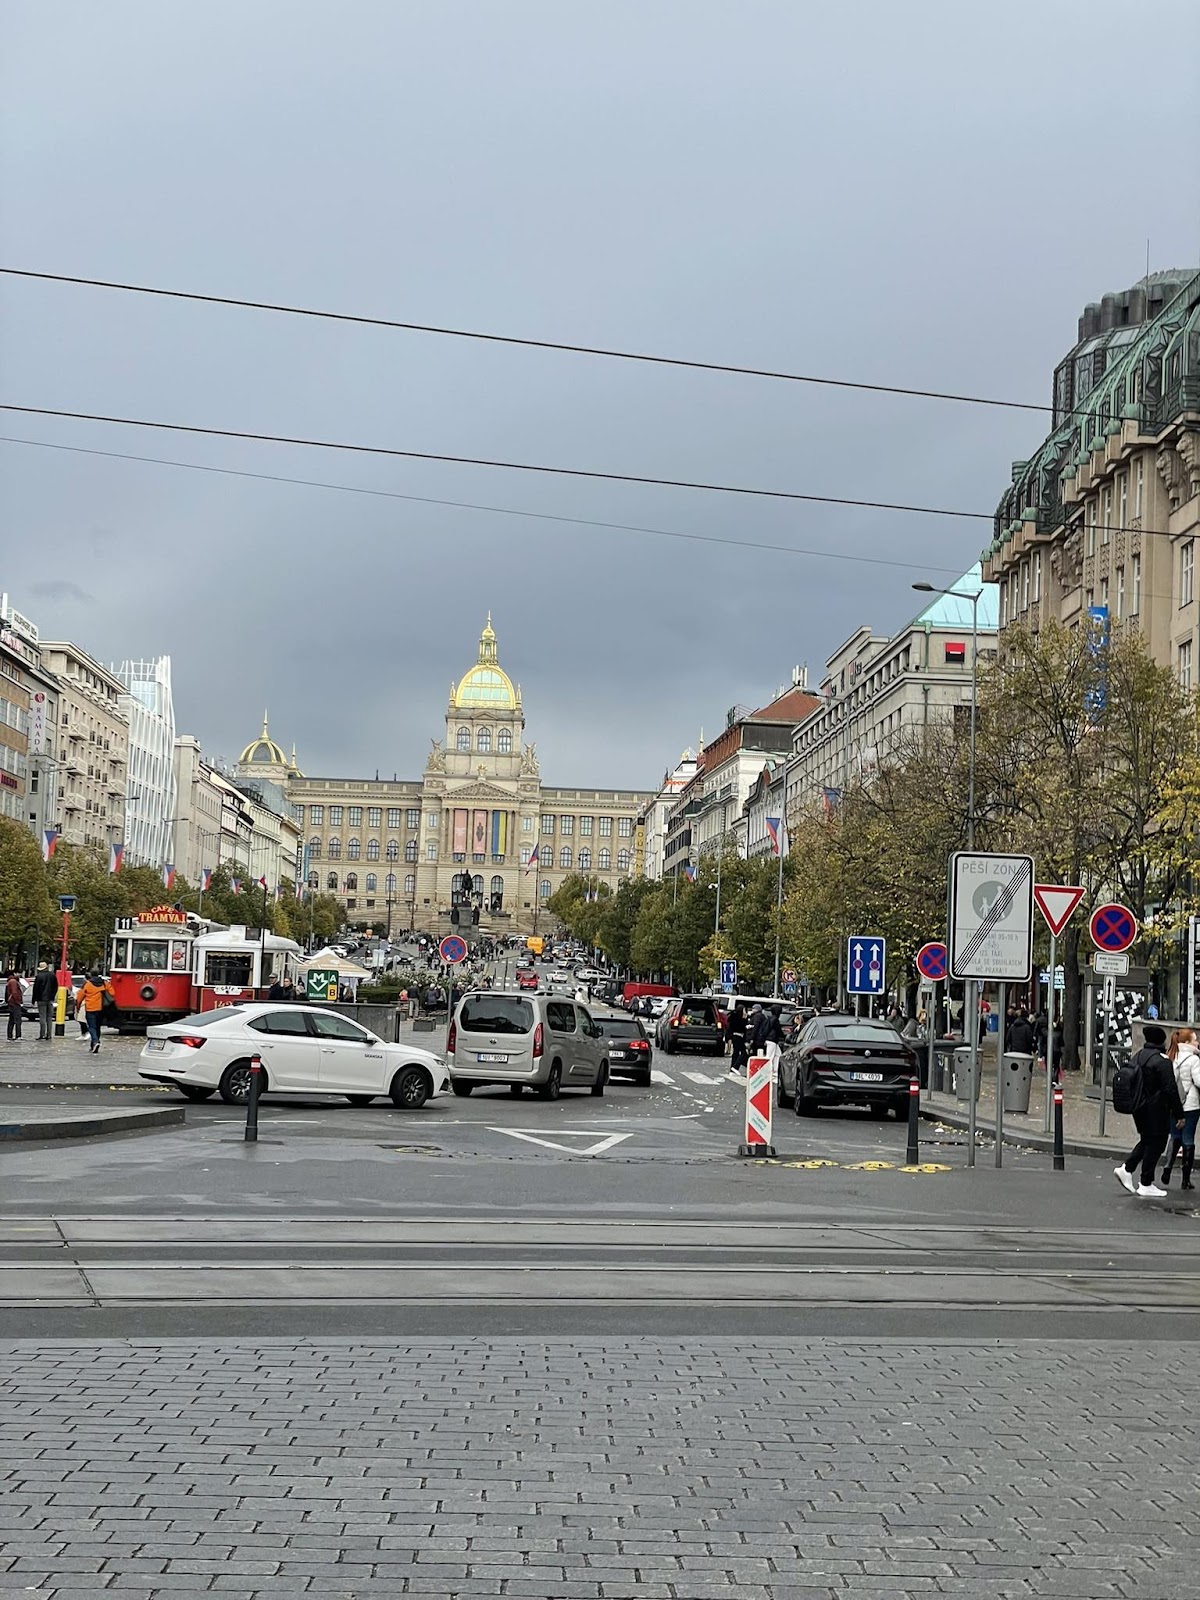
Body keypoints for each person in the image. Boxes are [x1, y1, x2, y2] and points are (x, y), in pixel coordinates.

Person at [1115, 1025, 1185, 1198]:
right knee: (1157, 1143)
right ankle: (1145, 1182)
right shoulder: (1162, 1061)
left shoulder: (1138, 1056)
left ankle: (1127, 1168)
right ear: (1162, 1041)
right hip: (1157, 1109)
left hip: (1138, 1106)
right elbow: (1170, 1089)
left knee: (1147, 1140)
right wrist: (1179, 1114)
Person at [1161, 1029, 1200, 1190]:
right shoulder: (1193, 1060)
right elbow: (1198, 1081)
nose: (1197, 1042)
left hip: (1173, 1104)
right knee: (1188, 1139)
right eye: (1195, 1040)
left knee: (1174, 1135)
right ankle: (1185, 1180)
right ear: (1188, 1042)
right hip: (1190, 1105)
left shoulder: (1170, 1056)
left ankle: (1168, 1166)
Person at [75, 970, 115, 1055]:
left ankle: (95, 1041)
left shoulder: (87, 984)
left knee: (91, 1027)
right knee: (97, 1027)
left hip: (90, 1008)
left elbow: (80, 996)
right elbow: (112, 993)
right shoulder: (104, 983)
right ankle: (93, 1045)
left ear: (91, 975)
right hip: (101, 1008)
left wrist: (78, 1006)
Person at [32, 961, 57, 1040]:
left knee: (42, 1017)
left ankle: (42, 1034)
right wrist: (52, 996)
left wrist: (34, 999)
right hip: (50, 999)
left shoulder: (39, 976)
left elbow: (35, 989)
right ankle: (49, 1034)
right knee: (49, 1017)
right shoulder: (52, 975)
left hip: (41, 999)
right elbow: (56, 986)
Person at [727, 1002, 749, 1075]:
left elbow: (730, 1028)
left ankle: (732, 1068)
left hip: (734, 1036)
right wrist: (745, 1019)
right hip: (739, 1036)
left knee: (736, 1053)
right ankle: (735, 1067)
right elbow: (742, 1027)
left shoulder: (732, 1017)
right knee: (743, 1052)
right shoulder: (740, 1018)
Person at [4, 970, 23, 1041]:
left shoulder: (10, 981)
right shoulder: (13, 982)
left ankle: (10, 1035)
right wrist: (18, 1002)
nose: (19, 974)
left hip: (11, 1003)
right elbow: (14, 992)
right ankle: (18, 1035)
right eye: (18, 972)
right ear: (15, 973)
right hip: (15, 1003)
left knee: (11, 1020)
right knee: (18, 1020)